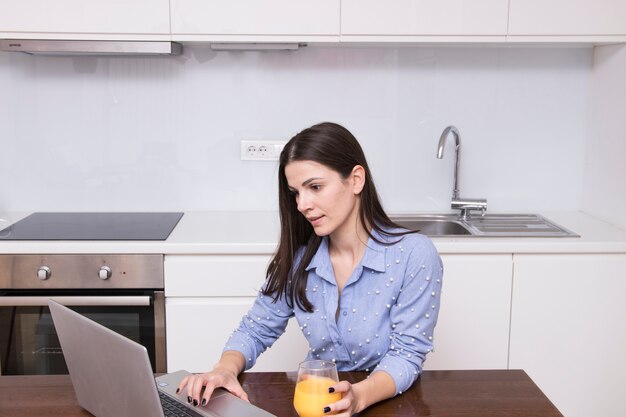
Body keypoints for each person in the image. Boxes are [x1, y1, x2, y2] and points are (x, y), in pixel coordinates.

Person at [178, 122, 443, 416]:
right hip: (316, 406)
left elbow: (407, 355)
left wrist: (359, 395)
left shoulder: (414, 255)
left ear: (356, 180)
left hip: (387, 405)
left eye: (315, 187)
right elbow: (255, 329)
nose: (302, 205)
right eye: (295, 193)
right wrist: (225, 369)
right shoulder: (300, 258)